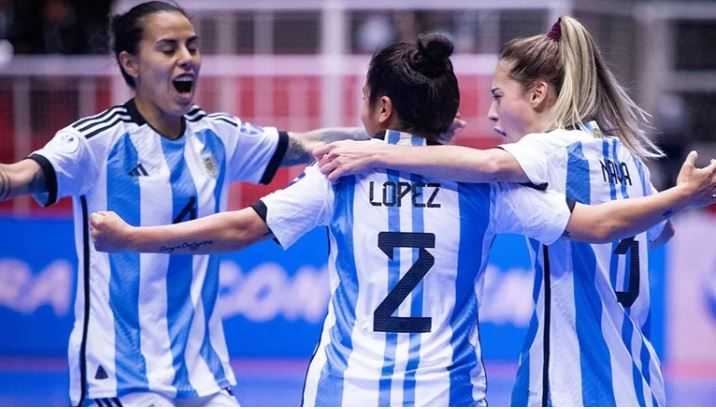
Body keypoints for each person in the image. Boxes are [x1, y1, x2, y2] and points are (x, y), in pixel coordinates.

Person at [88, 33, 716, 406]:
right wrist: (677, 202)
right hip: (449, 393)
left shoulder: (341, 175)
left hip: (345, 391)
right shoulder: (487, 189)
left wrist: (135, 238)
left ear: (381, 106)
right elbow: (599, 225)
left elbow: (237, 228)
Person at [313, 17, 716, 406]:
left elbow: (488, 167)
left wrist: (381, 150)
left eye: (498, 96)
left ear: (538, 95)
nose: (490, 114)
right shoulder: (627, 159)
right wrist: (675, 199)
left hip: (572, 384)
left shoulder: (552, 150)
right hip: (640, 381)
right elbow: (659, 234)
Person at [0, 1, 368, 406]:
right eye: (168, 48)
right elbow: (19, 177)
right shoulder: (94, 140)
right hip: (121, 381)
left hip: (204, 379)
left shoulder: (217, 135)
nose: (186, 59)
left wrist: (385, 132)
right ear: (131, 63)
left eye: (192, 46)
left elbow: (308, 145)